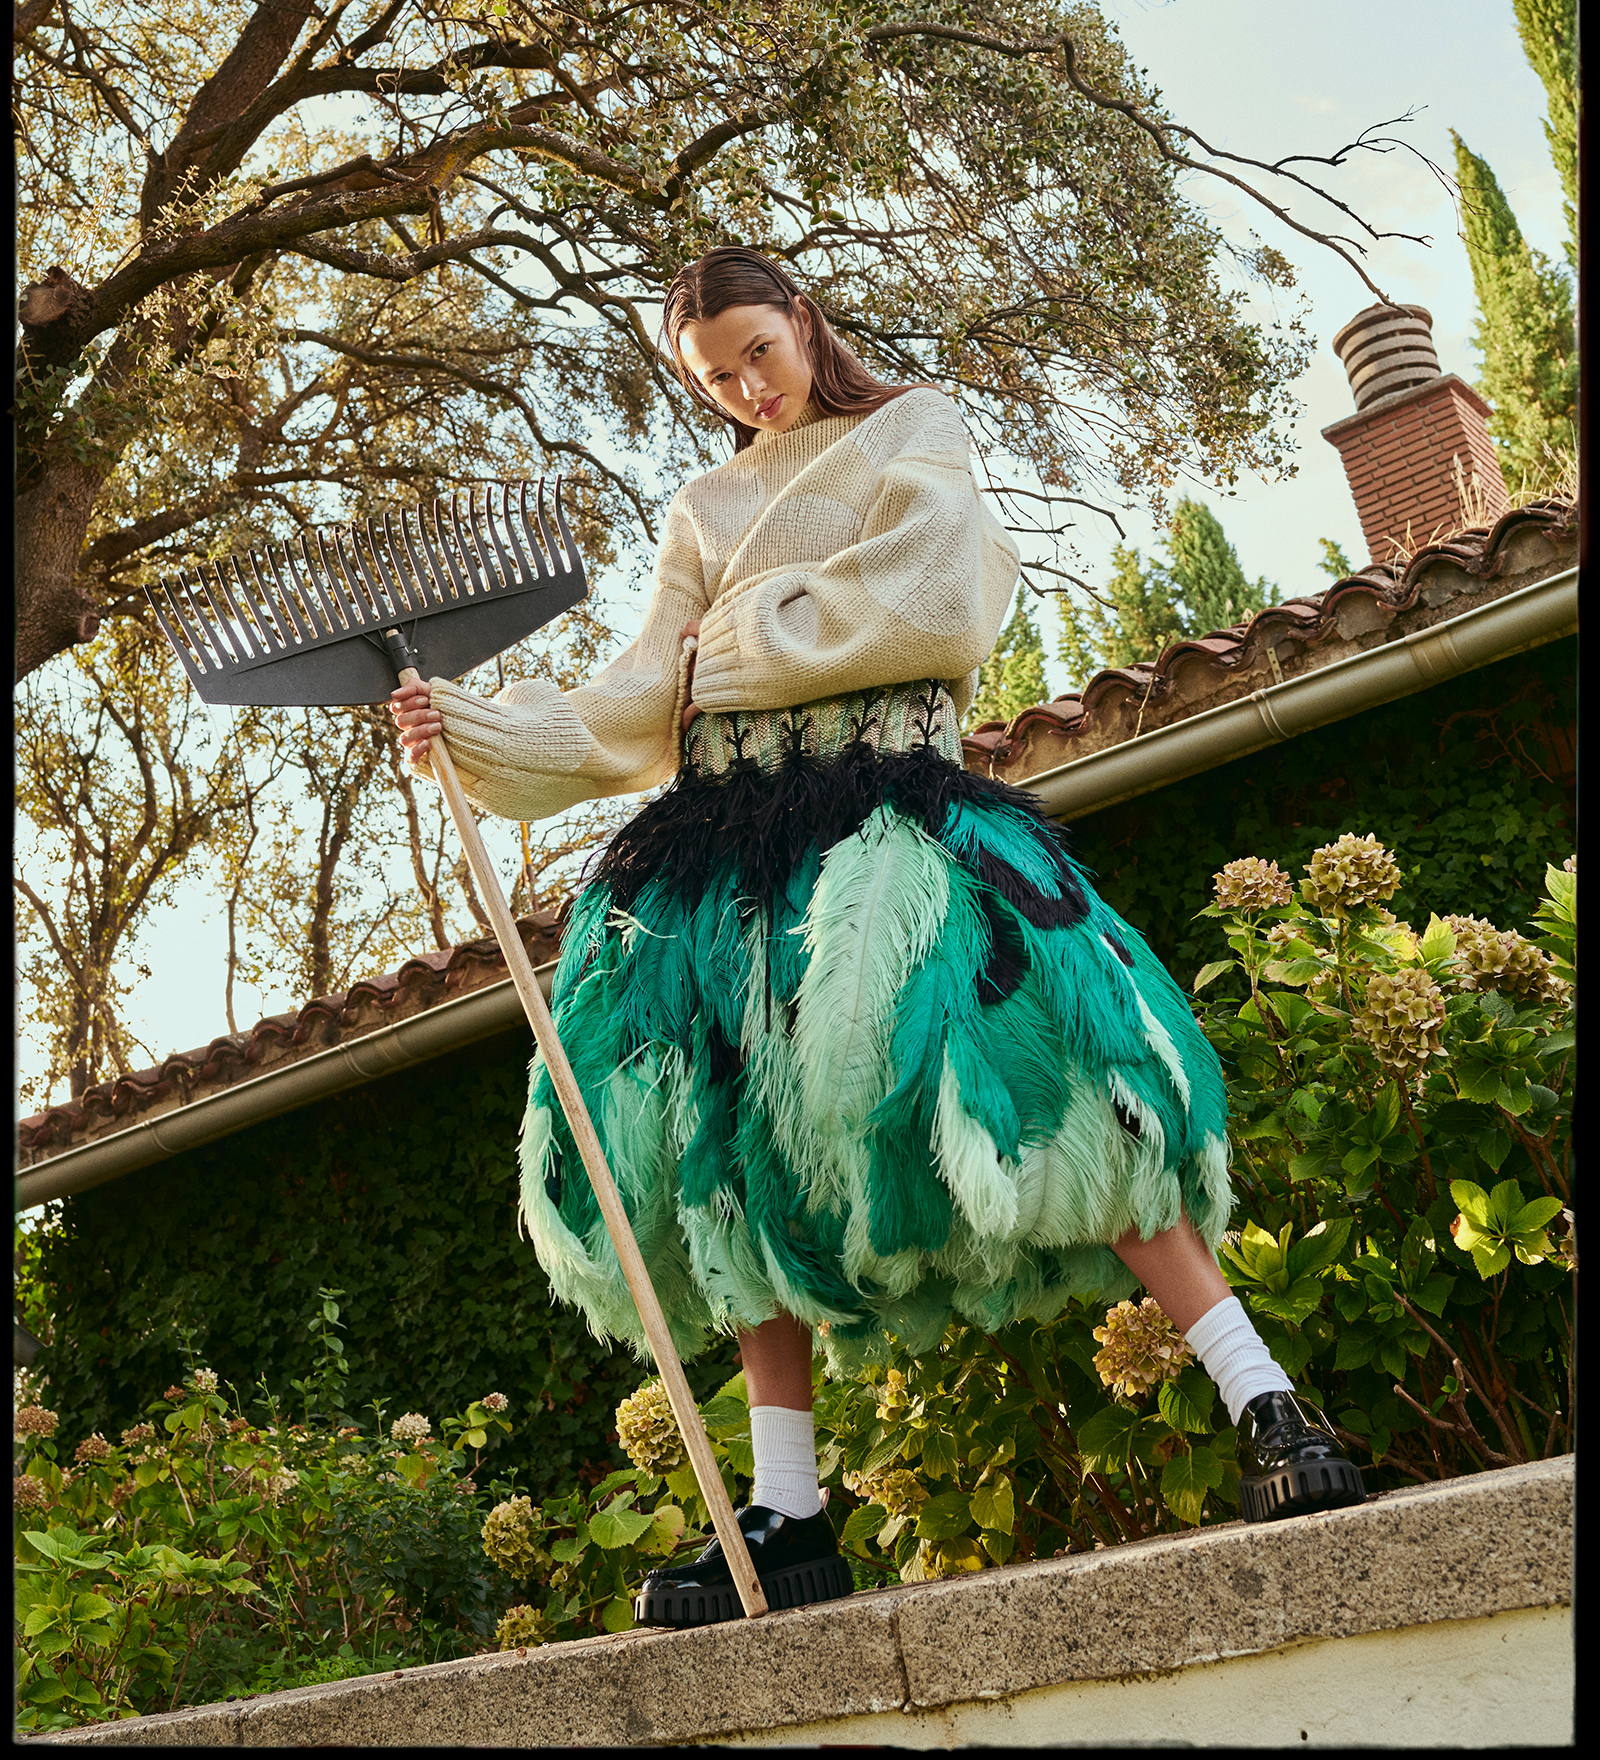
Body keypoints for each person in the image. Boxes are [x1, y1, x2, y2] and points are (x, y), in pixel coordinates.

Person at [390, 247, 1365, 1627]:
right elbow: (628, 707)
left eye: (754, 352)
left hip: (895, 823)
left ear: (801, 318)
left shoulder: (912, 428)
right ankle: (788, 1513)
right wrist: (469, 730)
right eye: (711, 376)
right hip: (723, 855)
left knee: (1063, 1072)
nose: (743, 386)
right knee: (731, 1148)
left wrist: (731, 656)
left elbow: (937, 597)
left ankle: (1268, 1405)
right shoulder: (701, 508)